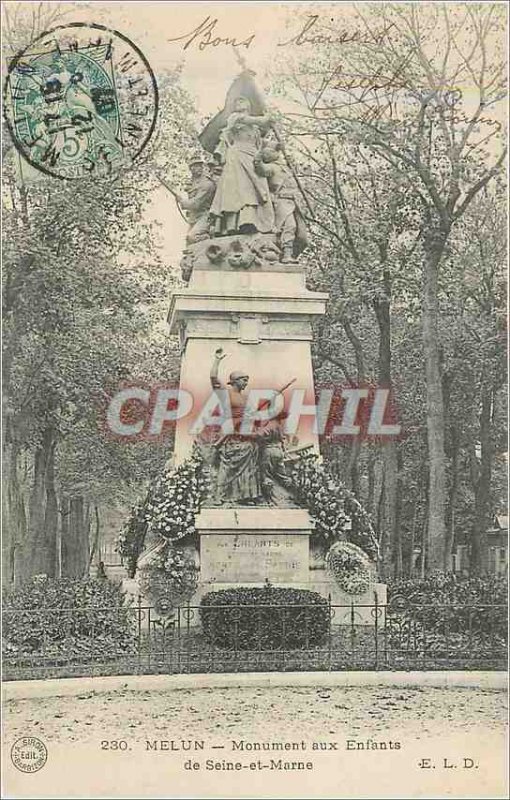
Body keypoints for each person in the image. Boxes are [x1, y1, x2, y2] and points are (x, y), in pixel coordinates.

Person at [210, 96, 275, 236]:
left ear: (248, 105)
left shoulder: (256, 129)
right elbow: (254, 120)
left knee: (255, 189)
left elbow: (263, 143)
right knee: (238, 190)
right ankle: (233, 225)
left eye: (242, 101)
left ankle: (251, 220)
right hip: (237, 156)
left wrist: (277, 145)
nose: (238, 103)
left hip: (253, 157)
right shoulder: (234, 118)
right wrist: (265, 119)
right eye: (236, 101)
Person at [209, 348, 262, 504]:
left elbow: (252, 416)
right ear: (235, 380)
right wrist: (217, 360)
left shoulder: (246, 398)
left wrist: (253, 417)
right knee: (227, 465)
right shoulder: (225, 393)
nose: (246, 382)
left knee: (249, 463)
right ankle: (220, 495)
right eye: (244, 379)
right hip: (229, 434)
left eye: (247, 380)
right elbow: (213, 378)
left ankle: (244, 496)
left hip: (244, 435)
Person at [254, 142, 308, 262]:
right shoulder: (271, 167)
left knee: (302, 237)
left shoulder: (287, 167)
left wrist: (292, 164)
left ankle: (291, 255)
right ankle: (286, 255)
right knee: (290, 226)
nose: (268, 154)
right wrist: (257, 155)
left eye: (270, 152)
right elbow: (260, 168)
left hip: (295, 204)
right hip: (282, 202)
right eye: (266, 153)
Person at [173, 157, 216, 244]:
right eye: (193, 166)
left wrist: (182, 201)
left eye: (198, 166)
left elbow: (196, 203)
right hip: (194, 217)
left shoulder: (208, 184)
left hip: (205, 216)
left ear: (202, 167)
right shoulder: (193, 183)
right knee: (189, 242)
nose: (195, 168)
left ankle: (212, 239)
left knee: (192, 237)